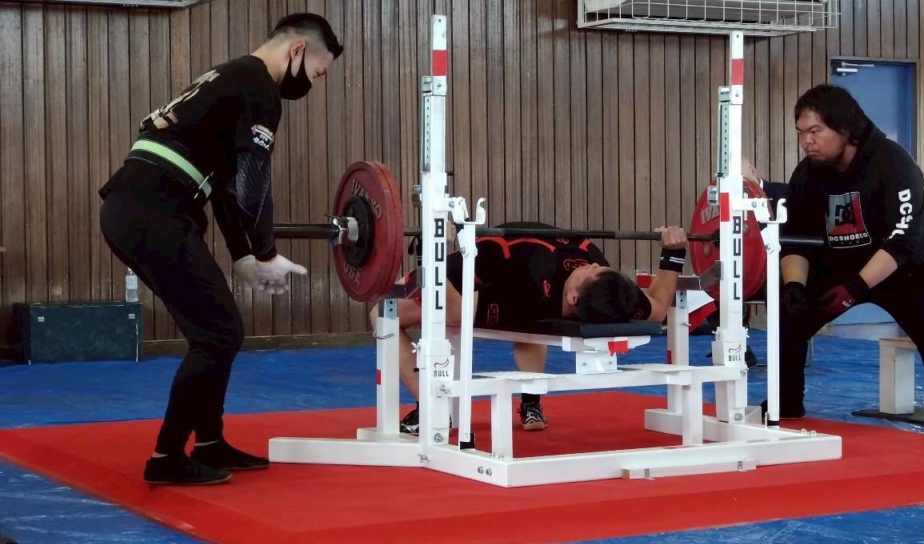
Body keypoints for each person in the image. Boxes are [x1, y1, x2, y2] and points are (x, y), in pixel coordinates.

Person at [98, 14, 343, 485]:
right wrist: (266, 252)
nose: (312, 83)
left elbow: (228, 186)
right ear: (296, 50)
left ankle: (209, 443)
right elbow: (253, 183)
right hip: (152, 211)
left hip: (138, 209)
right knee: (218, 333)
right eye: (317, 72)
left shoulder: (231, 77)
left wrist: (244, 256)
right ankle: (167, 457)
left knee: (217, 329)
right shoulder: (260, 86)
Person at [771, 84, 924, 439]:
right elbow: (795, 239)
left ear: (844, 128)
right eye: (801, 133)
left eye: (815, 131)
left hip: (906, 269)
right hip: (838, 266)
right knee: (787, 317)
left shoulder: (894, 163)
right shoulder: (808, 173)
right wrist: (793, 286)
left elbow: (902, 240)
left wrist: (856, 288)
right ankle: (785, 406)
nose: (806, 142)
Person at [370, 222, 689, 434]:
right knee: (389, 311)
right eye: (599, 267)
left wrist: (432, 254)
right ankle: (440, 404)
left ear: (574, 296)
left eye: (590, 271)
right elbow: (659, 306)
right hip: (498, 250)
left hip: (507, 270)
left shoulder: (535, 286)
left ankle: (436, 407)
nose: (593, 264)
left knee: (383, 314)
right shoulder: (616, 288)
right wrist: (673, 252)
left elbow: (453, 312)